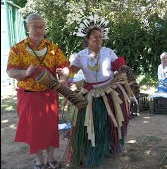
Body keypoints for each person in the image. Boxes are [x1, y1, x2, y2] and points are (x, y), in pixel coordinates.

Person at [58, 13, 133, 167]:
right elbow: (71, 70)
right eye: (94, 37)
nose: (98, 39)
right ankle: (91, 147)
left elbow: (117, 66)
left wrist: (122, 68)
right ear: (88, 39)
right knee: (90, 123)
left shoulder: (108, 52)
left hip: (109, 91)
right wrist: (65, 75)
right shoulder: (81, 55)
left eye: (100, 36)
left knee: (110, 121)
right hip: (90, 93)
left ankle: (111, 146)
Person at [6, 13, 69, 169]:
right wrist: (26, 73)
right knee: (34, 131)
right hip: (28, 97)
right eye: (35, 26)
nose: (39, 29)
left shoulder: (52, 48)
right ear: (28, 27)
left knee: (51, 130)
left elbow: (66, 67)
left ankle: (51, 158)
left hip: (49, 96)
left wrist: (64, 78)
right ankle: (39, 160)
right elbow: (10, 72)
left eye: (41, 26)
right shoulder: (18, 49)